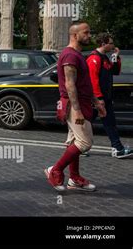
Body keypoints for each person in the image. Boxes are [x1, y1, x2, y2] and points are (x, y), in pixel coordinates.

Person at [45, 23, 106, 192]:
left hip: (82, 102)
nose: (89, 35)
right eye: (85, 32)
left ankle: (74, 178)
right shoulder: (70, 55)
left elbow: (83, 84)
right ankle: (55, 170)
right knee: (85, 142)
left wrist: (96, 102)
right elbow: (70, 84)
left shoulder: (77, 55)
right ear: (74, 35)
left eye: (89, 32)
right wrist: (77, 110)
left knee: (73, 141)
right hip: (75, 104)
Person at [86, 33, 132, 159]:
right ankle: (77, 146)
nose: (113, 45)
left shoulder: (105, 57)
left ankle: (117, 148)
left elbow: (115, 71)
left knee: (107, 122)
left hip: (105, 98)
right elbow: (93, 80)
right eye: (111, 43)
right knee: (86, 122)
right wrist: (98, 99)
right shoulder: (94, 58)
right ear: (103, 44)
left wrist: (116, 57)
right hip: (98, 99)